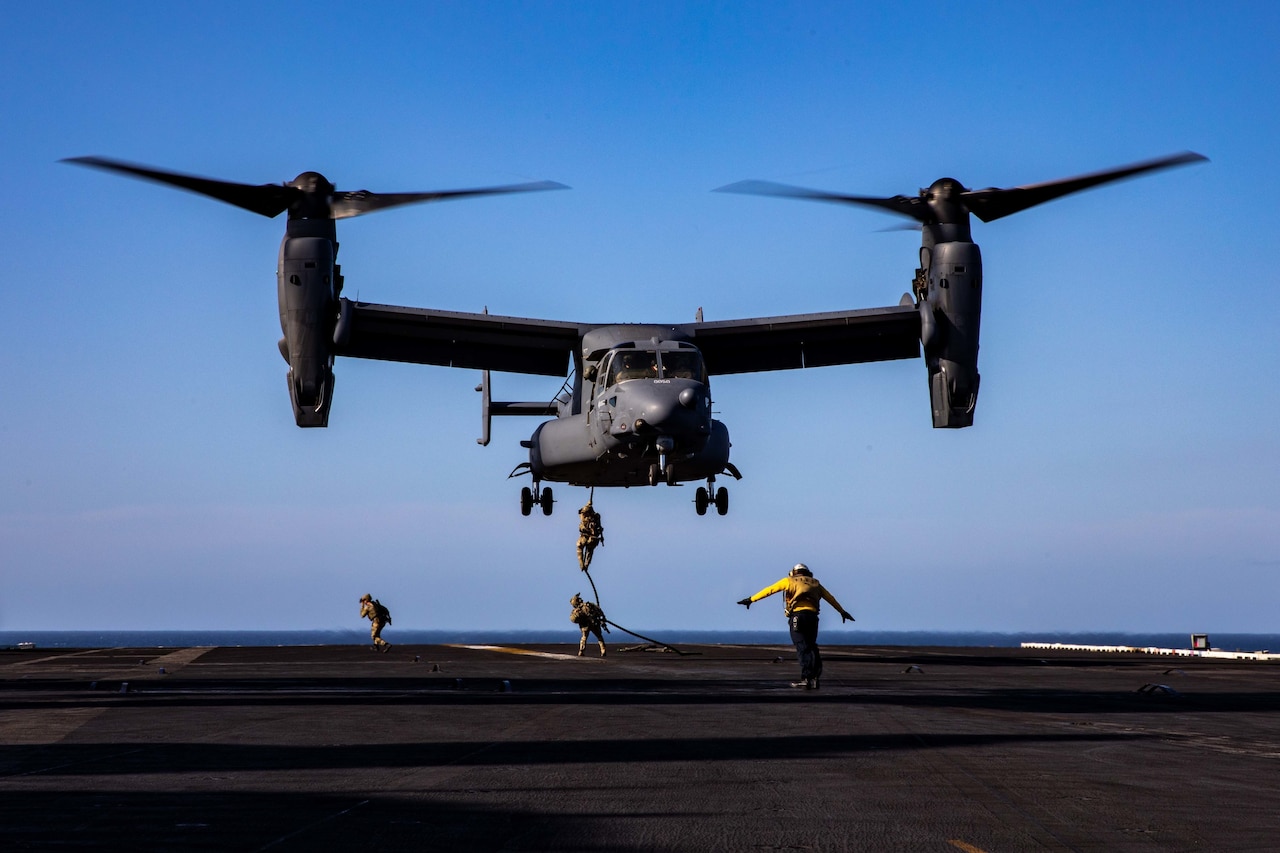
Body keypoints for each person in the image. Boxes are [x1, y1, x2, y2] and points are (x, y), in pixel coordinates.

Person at [737, 563, 853, 689]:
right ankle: (815, 677)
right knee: (812, 646)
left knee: (802, 647)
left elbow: (769, 590)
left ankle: (806, 678)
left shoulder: (789, 581)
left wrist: (751, 599)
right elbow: (830, 598)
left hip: (797, 617)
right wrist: (842, 612)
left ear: (794, 572)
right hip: (812, 618)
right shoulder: (815, 583)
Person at [569, 593, 608, 657]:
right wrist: (602, 618)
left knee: (584, 638)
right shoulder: (589, 605)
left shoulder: (578, 610)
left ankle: (581, 651)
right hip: (594, 624)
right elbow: (599, 611)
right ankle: (603, 650)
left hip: (585, 625)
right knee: (599, 637)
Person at [577, 501, 604, 570]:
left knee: (589, 549)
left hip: (591, 538)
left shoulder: (595, 518)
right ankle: (582, 564)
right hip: (585, 536)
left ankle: (585, 565)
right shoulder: (583, 517)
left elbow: (599, 528)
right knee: (581, 547)